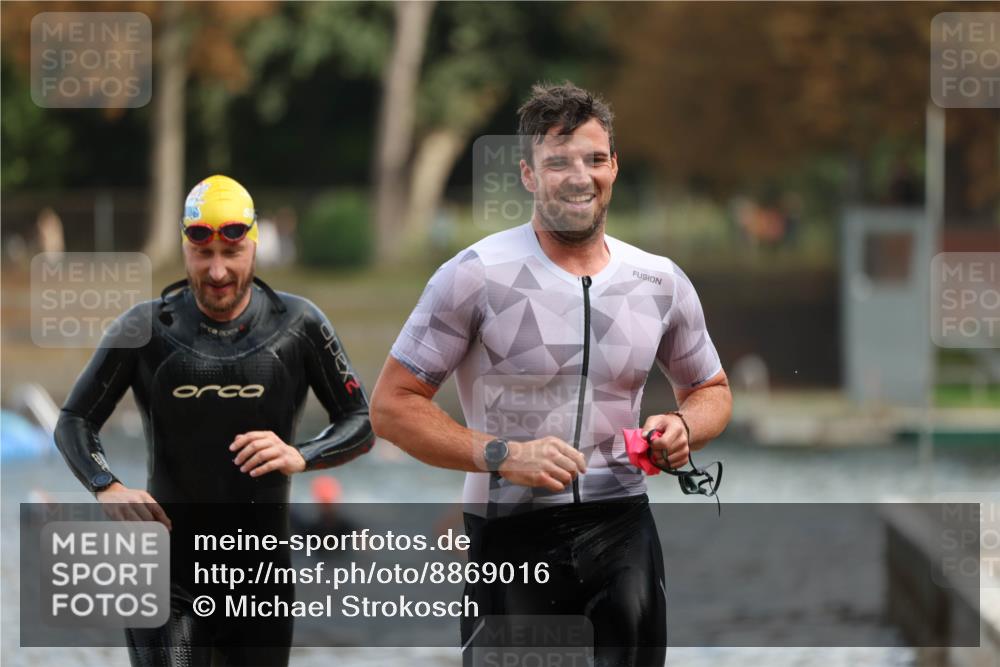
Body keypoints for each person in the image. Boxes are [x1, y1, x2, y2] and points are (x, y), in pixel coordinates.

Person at [370, 83, 732, 666]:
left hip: (622, 530)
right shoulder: (475, 275)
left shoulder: (659, 281)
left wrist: (686, 426)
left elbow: (711, 390)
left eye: (594, 159)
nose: (578, 176)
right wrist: (503, 455)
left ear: (614, 166)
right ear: (529, 175)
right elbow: (391, 406)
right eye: (558, 162)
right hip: (511, 536)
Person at [54, 174, 374, 667]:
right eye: (203, 254)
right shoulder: (144, 329)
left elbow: (360, 421)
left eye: (233, 253)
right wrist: (107, 486)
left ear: (254, 247)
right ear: (186, 249)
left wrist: (301, 454)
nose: (218, 271)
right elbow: (75, 418)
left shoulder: (298, 325)